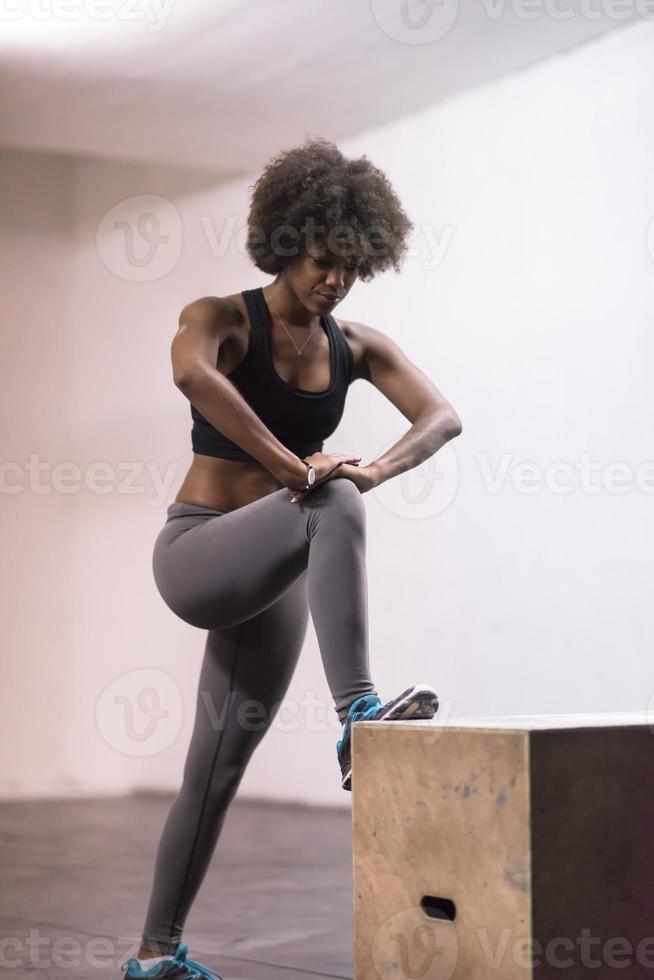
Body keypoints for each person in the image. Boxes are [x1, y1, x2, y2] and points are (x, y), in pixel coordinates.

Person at [121, 137, 462, 980]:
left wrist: (373, 468)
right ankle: (358, 714)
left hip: (272, 581)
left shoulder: (358, 344)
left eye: (350, 268)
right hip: (199, 553)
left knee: (215, 771)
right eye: (321, 262)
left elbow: (443, 415)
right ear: (285, 242)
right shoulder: (222, 317)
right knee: (329, 495)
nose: (334, 282)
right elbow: (194, 379)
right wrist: (295, 469)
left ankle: (154, 957)